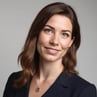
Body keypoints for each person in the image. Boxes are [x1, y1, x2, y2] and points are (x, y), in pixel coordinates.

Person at [3, 2, 97, 97]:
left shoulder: (84, 91)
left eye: (64, 34)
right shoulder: (14, 81)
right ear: (37, 33)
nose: (55, 41)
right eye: (48, 30)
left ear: (71, 42)